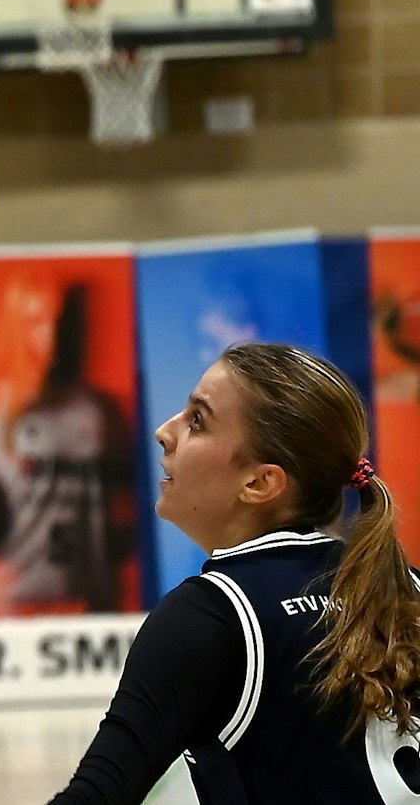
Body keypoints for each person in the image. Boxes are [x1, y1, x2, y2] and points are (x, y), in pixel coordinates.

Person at [49, 343, 420, 804]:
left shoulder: (213, 616)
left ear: (260, 483)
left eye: (197, 421)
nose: (165, 431)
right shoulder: (407, 587)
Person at [0, 281, 137, 616]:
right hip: (13, 609)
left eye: (57, 323)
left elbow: (135, 510)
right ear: (13, 327)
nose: (50, 336)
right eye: (35, 322)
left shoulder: (108, 413)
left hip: (92, 612)